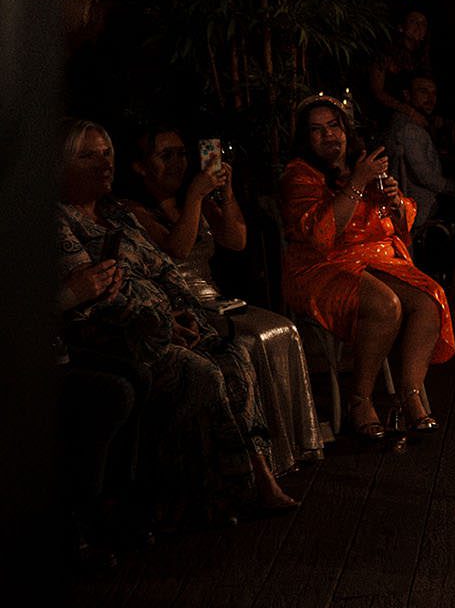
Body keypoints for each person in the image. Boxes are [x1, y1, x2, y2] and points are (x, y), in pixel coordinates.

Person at [57, 120, 296, 517]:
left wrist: (183, 313)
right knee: (202, 372)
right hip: (124, 338)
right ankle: (216, 491)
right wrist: (165, 326)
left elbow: (166, 268)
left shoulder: (117, 213)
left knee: (234, 357)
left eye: (106, 154)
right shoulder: (63, 221)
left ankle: (258, 476)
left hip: (173, 320)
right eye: (88, 155)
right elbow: (97, 296)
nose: (103, 164)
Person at [127, 126, 324, 474]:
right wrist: (194, 198)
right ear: (141, 166)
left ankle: (291, 448)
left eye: (181, 154)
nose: (177, 163)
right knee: (250, 342)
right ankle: (256, 459)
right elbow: (178, 247)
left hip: (216, 298)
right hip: (182, 303)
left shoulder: (195, 199)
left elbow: (236, 240)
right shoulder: (134, 211)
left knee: (284, 329)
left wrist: (225, 194)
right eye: (165, 155)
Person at [280, 96, 455, 444]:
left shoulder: (364, 163)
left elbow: (399, 226)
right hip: (322, 266)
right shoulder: (299, 175)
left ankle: (410, 394)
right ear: (305, 138)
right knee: (384, 304)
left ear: (346, 129)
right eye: (317, 131)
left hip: (376, 257)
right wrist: (357, 182)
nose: (329, 136)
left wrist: (392, 201)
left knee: (429, 298)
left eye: (334, 126)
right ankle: (359, 400)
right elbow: (320, 236)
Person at [384, 74, 455, 229]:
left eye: (433, 93)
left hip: (418, 202)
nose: (430, 99)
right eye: (423, 92)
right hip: (418, 206)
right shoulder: (409, 129)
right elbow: (425, 176)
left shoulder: (413, 124)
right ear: (407, 95)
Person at [364, 10, 431, 134]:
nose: (419, 26)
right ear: (401, 27)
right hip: (384, 120)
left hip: (411, 121)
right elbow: (377, 91)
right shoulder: (385, 54)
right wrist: (409, 111)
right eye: (413, 21)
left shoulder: (423, 59)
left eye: (423, 23)